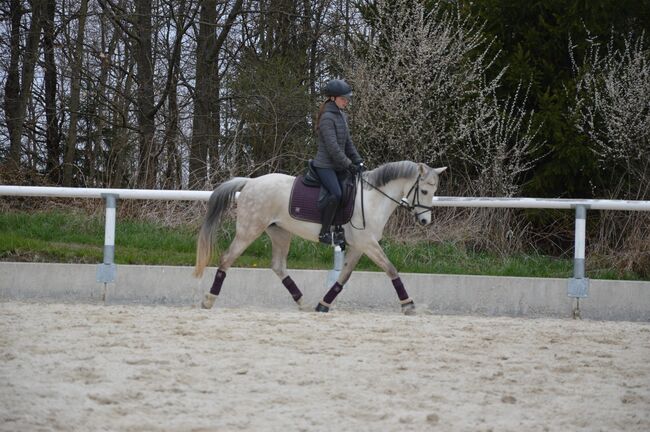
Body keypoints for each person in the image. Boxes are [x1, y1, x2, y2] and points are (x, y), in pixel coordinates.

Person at [313, 79, 364, 246]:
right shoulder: (327, 118)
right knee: (336, 193)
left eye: (347, 99)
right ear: (333, 98)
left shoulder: (342, 115)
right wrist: (348, 164)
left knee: (350, 190)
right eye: (343, 99)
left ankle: (340, 227)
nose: (346, 101)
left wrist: (358, 161)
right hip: (325, 165)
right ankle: (324, 232)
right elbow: (333, 148)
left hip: (338, 164)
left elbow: (347, 142)